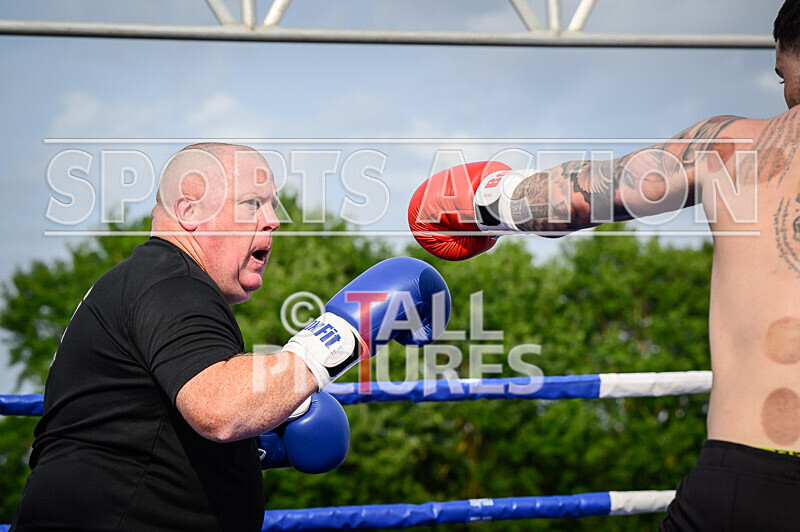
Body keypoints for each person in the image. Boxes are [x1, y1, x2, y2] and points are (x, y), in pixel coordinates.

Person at [408, 2, 800, 529]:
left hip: (750, 475)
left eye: (782, 74)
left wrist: (486, 201)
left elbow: (576, 198)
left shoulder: (731, 145)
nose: (783, 93)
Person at [12, 142, 450, 531]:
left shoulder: (143, 280)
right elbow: (220, 409)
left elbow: (128, 426)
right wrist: (343, 333)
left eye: (273, 205)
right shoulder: (173, 285)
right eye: (252, 204)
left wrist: (255, 441)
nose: (274, 221)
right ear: (189, 212)